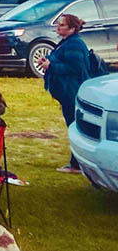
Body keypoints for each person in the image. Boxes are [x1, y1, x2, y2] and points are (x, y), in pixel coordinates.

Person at [42, 13, 91, 174]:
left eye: (62, 24)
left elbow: (75, 68)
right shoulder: (66, 43)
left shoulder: (74, 45)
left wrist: (51, 66)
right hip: (66, 92)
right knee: (73, 126)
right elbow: (60, 60)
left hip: (72, 92)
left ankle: (77, 164)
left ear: (71, 29)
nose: (58, 26)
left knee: (75, 127)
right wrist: (47, 61)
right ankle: (76, 162)